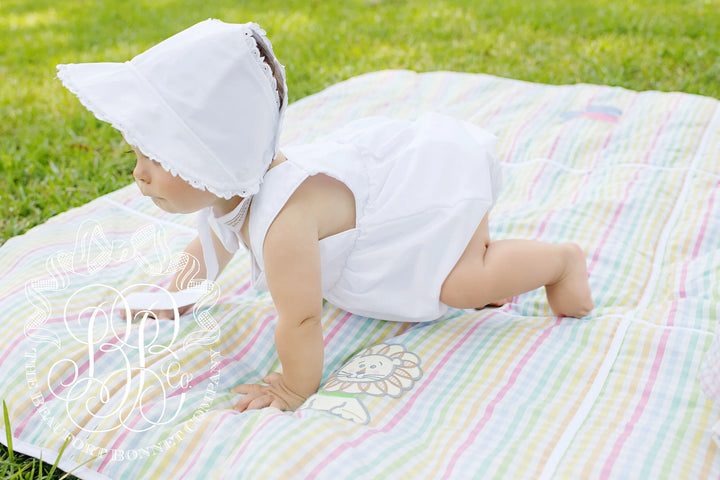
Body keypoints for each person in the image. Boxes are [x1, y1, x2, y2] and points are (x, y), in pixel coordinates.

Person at [57, 19, 594, 412]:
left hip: (419, 205)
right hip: (381, 200)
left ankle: (559, 263)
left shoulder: (281, 225)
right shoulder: (231, 193)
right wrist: (171, 297)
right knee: (464, 270)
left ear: (215, 155)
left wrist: (293, 387)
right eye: (138, 156)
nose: (139, 175)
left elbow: (302, 318)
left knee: (463, 283)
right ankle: (483, 249)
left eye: (158, 159)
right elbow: (208, 246)